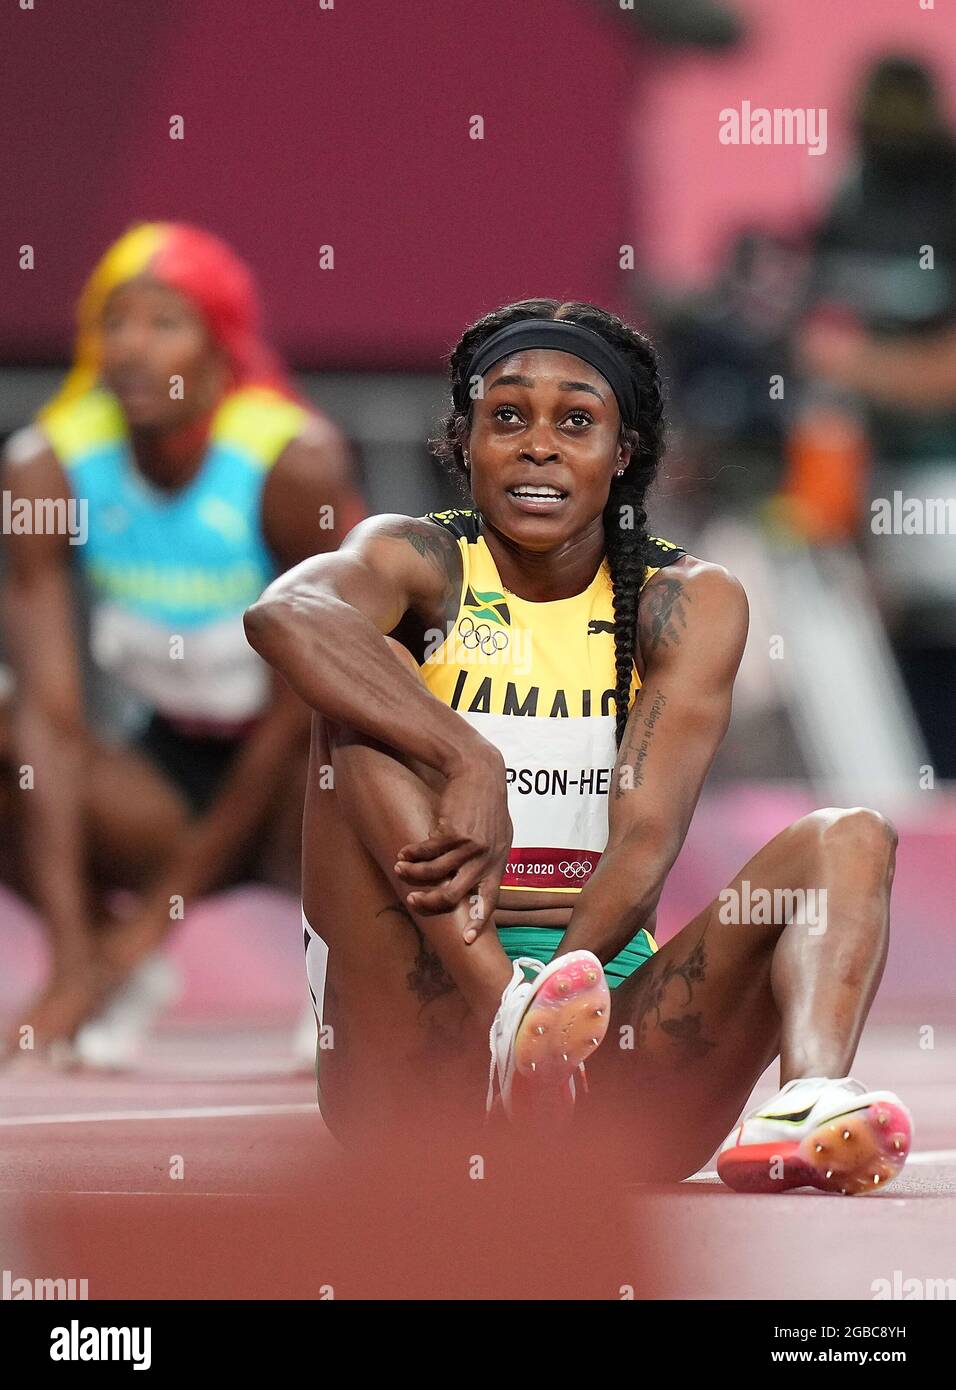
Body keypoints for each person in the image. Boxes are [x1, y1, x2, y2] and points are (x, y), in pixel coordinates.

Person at [245, 299, 911, 1192]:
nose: (538, 445)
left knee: (851, 834)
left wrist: (559, 1009)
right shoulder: (417, 561)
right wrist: (463, 754)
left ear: (621, 454)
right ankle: (503, 1012)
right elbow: (286, 612)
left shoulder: (685, 599)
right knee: (360, 705)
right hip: (410, 1066)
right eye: (507, 417)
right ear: (465, 440)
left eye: (577, 422)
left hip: (603, 1060)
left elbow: (644, 842)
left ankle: (808, 1099)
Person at [0, 222, 366, 1062]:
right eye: (113, 323)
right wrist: (76, 963)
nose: (131, 348)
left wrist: (154, 924)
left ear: (221, 346)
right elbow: (50, 723)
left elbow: (310, 701)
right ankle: (96, 959)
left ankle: (355, 973)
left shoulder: (290, 465)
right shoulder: (48, 468)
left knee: (371, 772)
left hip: (298, 789)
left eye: (164, 323)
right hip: (161, 777)